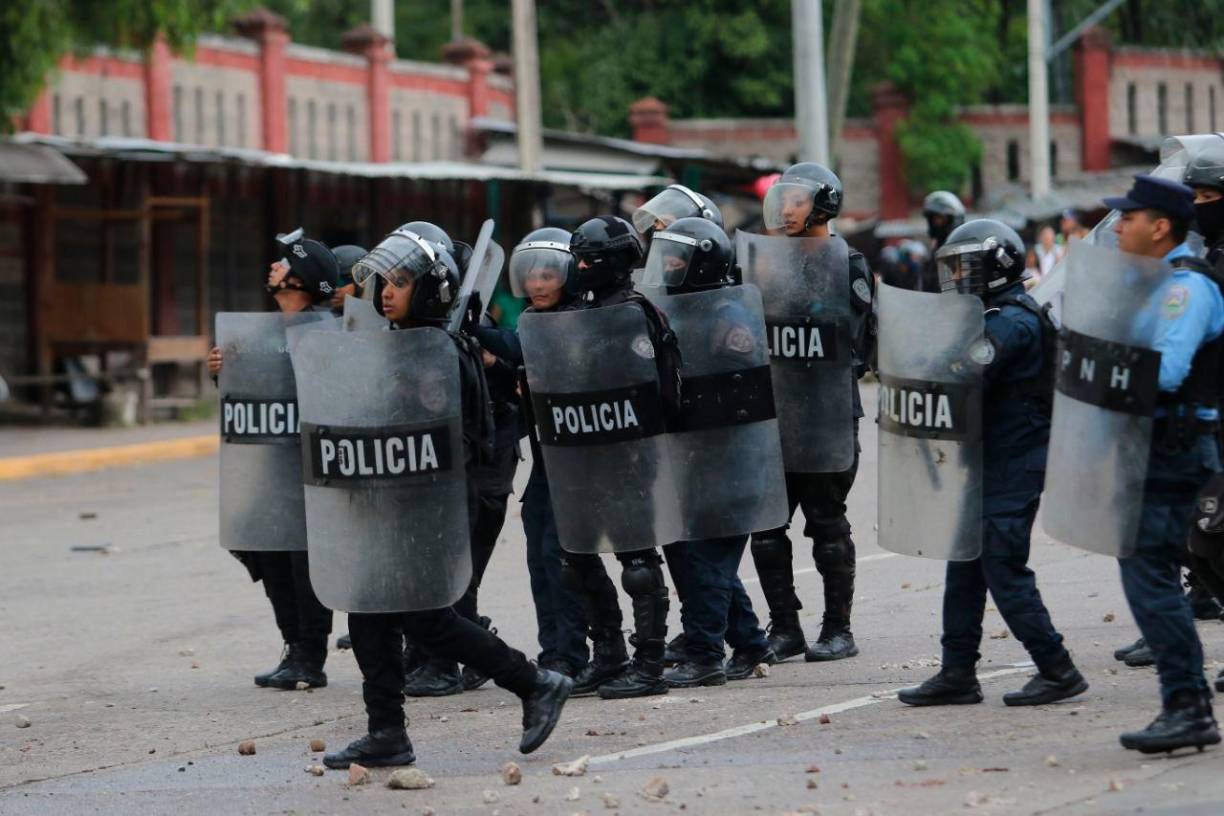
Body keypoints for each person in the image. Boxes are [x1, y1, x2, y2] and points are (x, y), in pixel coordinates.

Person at [323, 230, 570, 769]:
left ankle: (534, 682)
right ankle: (388, 732)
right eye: (384, 282)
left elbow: (435, 441)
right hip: (393, 502)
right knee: (373, 615)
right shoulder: (400, 343)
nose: (387, 292)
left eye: (401, 282)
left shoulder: (441, 354)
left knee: (425, 619)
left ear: (431, 290)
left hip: (428, 505)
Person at [896, 219, 1087, 708]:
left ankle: (1057, 667)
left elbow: (965, 372)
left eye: (967, 268)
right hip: (988, 459)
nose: (958, 278)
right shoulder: (993, 315)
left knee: (1002, 564)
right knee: (965, 564)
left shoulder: (1011, 322)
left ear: (996, 267)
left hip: (1014, 461)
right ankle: (957, 672)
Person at [1103, 175, 1224, 753]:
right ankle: (1187, 704)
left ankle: (1188, 707)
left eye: (1129, 217)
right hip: (1153, 447)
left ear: (1160, 227)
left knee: (1151, 576)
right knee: (1151, 572)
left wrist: (1103, 372)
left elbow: (1167, 372)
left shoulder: (1185, 289)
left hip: (1174, 449)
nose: (1119, 227)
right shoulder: (1153, 286)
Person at [543, 215, 682, 699]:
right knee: (574, 555)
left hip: (629, 453)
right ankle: (608, 655)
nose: (580, 267)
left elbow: (652, 389)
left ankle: (649, 664)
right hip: (583, 450)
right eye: (577, 258)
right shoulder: (579, 309)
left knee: (637, 559)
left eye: (589, 259)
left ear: (615, 261)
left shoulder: (635, 313)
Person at [639, 217, 777, 687]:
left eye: (676, 260)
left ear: (701, 264)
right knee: (695, 551)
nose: (666, 267)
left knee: (708, 557)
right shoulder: (673, 312)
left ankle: (704, 656)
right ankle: (751, 643)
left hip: (730, 460)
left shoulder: (728, 318)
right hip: (694, 459)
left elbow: (742, 393)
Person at [749, 163, 874, 663]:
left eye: (796, 200)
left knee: (827, 523)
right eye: (782, 200)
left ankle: (838, 628)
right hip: (775, 411)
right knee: (766, 529)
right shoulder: (767, 263)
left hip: (827, 412)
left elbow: (857, 344)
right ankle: (785, 628)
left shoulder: (848, 263)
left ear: (823, 205)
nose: (786, 210)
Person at [208, 232, 338, 690]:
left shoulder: (327, 334)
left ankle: (311, 656)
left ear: (302, 279)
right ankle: (293, 646)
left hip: (312, 471)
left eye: (283, 263)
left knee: (305, 563)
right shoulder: (262, 334)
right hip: (270, 470)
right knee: (268, 552)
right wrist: (226, 372)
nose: (273, 267)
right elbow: (252, 397)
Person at [492, 228, 596, 679]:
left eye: (548, 275)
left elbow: (522, 351)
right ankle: (553, 649)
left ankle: (575, 653)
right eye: (531, 275)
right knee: (540, 556)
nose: (537, 283)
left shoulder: (579, 320)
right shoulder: (532, 321)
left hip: (581, 462)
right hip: (546, 460)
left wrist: (480, 333)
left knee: (562, 557)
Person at [922, 191, 966, 291]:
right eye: (933, 218)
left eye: (940, 218)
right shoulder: (936, 247)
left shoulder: (962, 247)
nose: (936, 222)